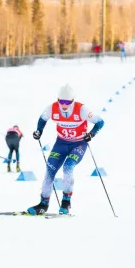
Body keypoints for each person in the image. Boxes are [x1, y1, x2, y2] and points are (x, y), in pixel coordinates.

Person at [28, 84, 104, 215]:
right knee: (50, 169)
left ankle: (66, 202)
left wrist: (91, 134)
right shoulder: (52, 108)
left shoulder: (82, 109)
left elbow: (100, 122)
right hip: (61, 143)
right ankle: (43, 204)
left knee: (68, 167)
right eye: (61, 101)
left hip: (78, 144)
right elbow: (42, 119)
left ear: (73, 101)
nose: (64, 104)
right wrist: (38, 131)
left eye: (67, 102)